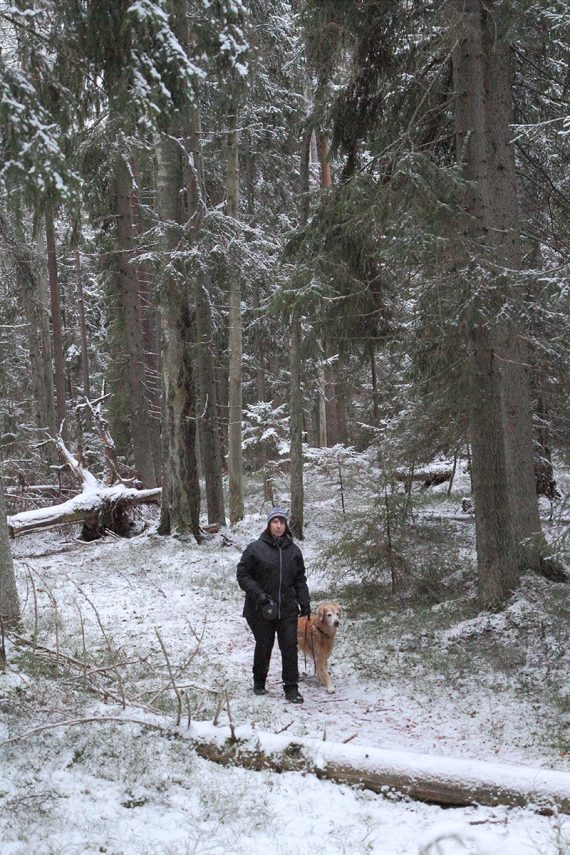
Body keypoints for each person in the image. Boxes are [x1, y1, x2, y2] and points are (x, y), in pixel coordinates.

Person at [237, 507, 311, 704]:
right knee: (264, 645)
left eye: (281, 522)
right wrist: (259, 595)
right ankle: (259, 682)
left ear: (286, 526)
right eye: (274, 522)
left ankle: (291, 687)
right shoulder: (255, 548)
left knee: (289, 646)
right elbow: (243, 575)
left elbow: (300, 580)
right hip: (260, 608)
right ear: (268, 525)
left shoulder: (294, 552)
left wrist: (305, 603)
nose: (278, 525)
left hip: (287, 608)